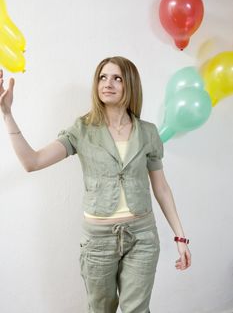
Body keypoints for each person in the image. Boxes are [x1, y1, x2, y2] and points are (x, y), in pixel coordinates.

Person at [0, 56, 191, 313]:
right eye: (103, 77)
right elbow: (32, 162)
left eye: (117, 78)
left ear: (130, 85)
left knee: (137, 309)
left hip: (142, 236)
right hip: (99, 241)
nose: (107, 83)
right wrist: (7, 113)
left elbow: (161, 188)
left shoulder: (148, 132)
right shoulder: (82, 129)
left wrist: (180, 235)